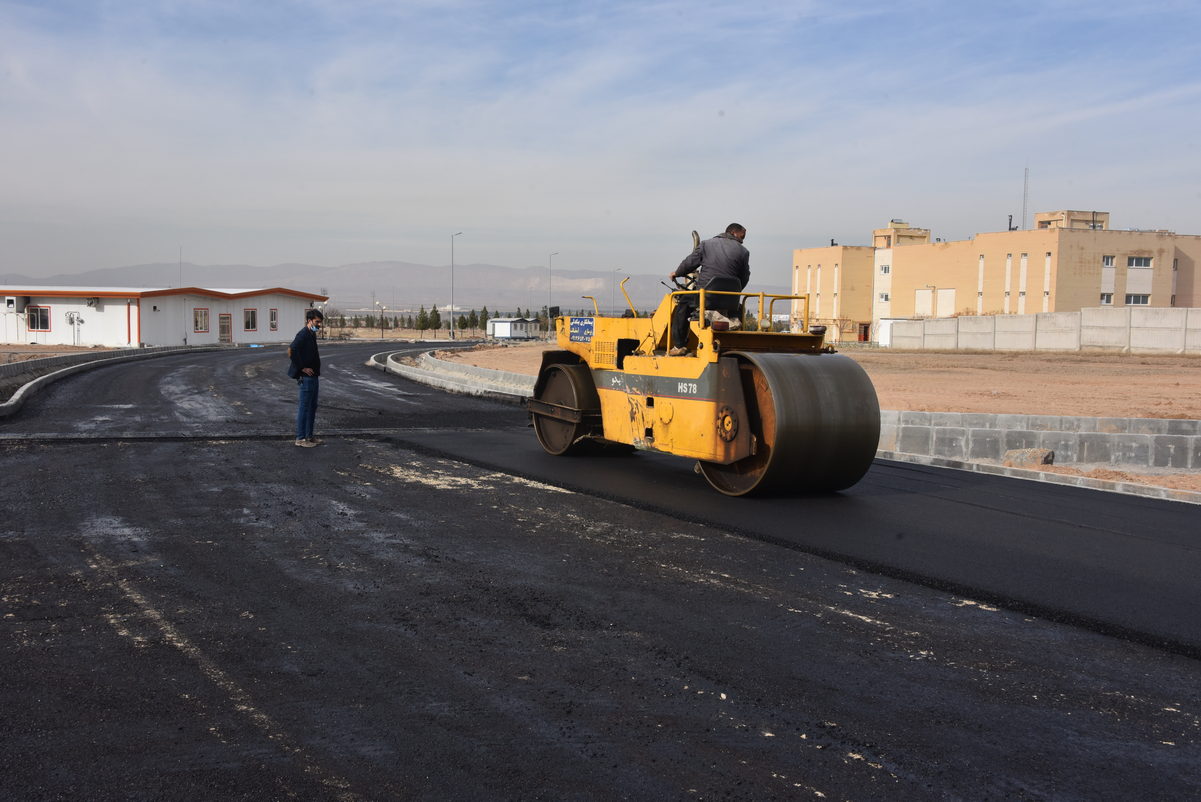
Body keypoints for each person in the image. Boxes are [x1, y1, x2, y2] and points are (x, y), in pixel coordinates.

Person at [667, 223, 750, 355]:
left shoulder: (706, 244)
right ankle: (733, 340)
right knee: (738, 308)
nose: (742, 240)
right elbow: (744, 277)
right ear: (733, 233)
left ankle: (679, 346)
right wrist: (734, 292)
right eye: (742, 236)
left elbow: (690, 263)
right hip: (730, 301)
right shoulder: (743, 251)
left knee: (683, 302)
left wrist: (676, 273)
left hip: (706, 296)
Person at [288, 309, 324, 447]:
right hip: (306, 378)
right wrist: (301, 367)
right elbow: (292, 350)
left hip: (314, 376)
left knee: (312, 407)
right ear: (309, 321)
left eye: (320, 322)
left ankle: (309, 436)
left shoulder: (311, 334)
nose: (319, 325)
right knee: (304, 407)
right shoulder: (303, 334)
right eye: (317, 322)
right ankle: (300, 439)